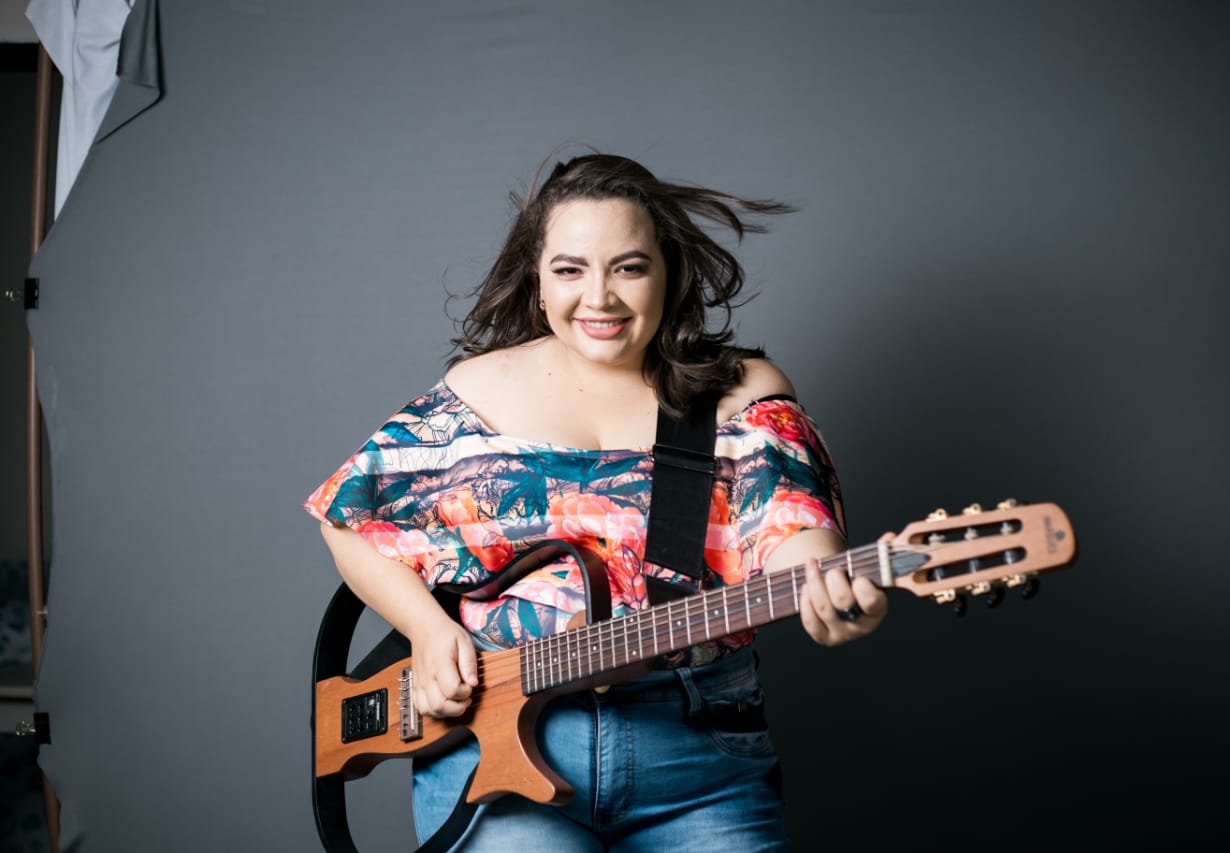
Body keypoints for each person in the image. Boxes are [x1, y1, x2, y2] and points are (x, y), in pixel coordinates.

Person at [304, 152, 888, 851]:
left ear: (668, 274)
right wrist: (429, 632)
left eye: (629, 267)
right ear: (538, 281)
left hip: (698, 759)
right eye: (570, 270)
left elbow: (792, 526)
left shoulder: (741, 393)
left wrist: (829, 588)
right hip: (495, 744)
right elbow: (349, 521)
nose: (600, 297)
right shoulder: (476, 395)